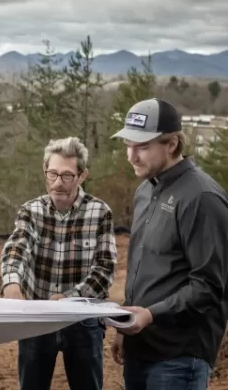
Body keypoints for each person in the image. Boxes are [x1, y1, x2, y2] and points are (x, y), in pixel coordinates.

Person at [110, 98, 228, 390]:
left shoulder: (201, 198)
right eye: (128, 145)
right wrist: (127, 324)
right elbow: (147, 272)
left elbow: (209, 286)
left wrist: (151, 315)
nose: (131, 156)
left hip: (179, 357)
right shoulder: (144, 192)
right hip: (142, 347)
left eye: (142, 147)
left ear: (172, 144)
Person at [1, 137, 118, 390]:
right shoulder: (31, 210)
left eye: (66, 176)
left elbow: (105, 269)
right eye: (52, 174)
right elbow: (17, 246)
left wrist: (69, 298)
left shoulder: (100, 212)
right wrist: (11, 281)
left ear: (82, 175)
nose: (57, 183)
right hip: (37, 318)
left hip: (83, 321)